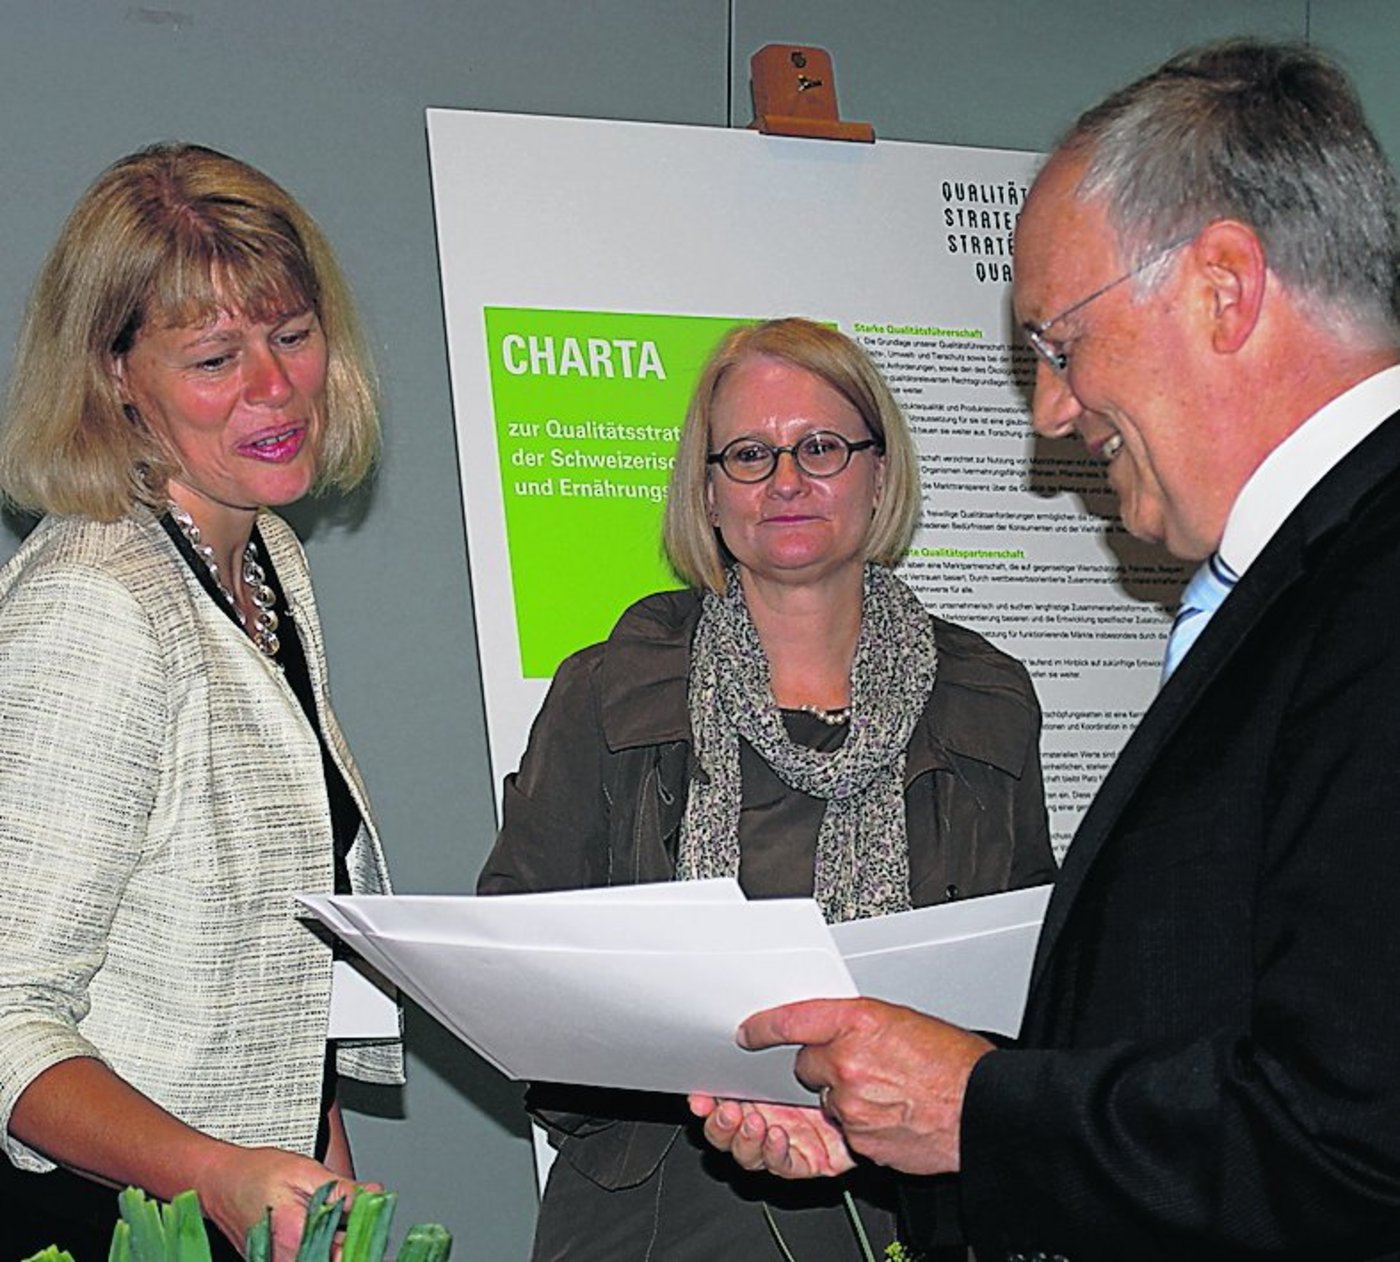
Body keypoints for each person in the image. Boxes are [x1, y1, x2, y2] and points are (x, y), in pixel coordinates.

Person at [692, 38, 1400, 1262]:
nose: (1050, 412)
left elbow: (1357, 1143)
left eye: (1059, 344)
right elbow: (1208, 1051)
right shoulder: (1306, 585)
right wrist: (910, 1114)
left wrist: (978, 1107)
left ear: (1222, 289)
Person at [478, 317, 1055, 1260]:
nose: (785, 481)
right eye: (747, 454)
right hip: (662, 1205)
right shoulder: (608, 691)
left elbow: (1031, 984)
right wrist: (696, 1071)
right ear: (707, 492)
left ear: (879, 471)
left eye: (820, 447)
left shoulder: (986, 700)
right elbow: (522, 970)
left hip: (914, 1203)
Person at [0, 143, 402, 1260]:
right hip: (102, 1221)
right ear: (116, 374)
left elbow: (275, 962)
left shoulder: (264, 554)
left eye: (290, 335)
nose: (275, 389)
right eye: (215, 357)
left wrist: (326, 1193)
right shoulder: (95, 598)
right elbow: (6, 1017)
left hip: (237, 1208)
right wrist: (219, 1171)